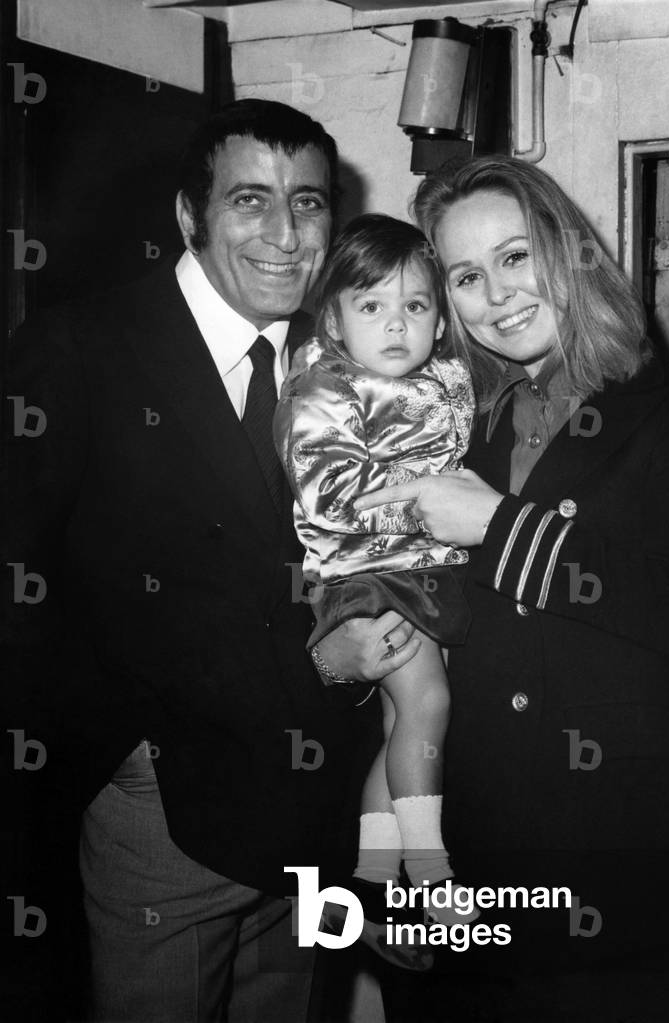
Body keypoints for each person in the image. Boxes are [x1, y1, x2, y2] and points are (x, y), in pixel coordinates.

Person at [3, 99, 416, 1023]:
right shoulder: (79, 347)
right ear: (190, 214)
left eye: (308, 203)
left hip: (311, 809)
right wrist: (118, 757)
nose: (285, 234)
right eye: (249, 200)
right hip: (164, 819)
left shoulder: (346, 360)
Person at [346, 156, 669, 1022]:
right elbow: (405, 633)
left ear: (568, 254)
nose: (496, 295)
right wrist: (349, 655)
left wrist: (497, 524)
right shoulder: (453, 425)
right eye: (466, 276)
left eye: (515, 257)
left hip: (608, 854)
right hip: (457, 855)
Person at [274, 214, 478, 965]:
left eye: (415, 305)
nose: (397, 323)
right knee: (430, 703)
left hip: (427, 570)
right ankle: (430, 869)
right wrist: (438, 504)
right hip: (367, 575)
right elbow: (330, 496)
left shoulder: (442, 379)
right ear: (333, 320)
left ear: (440, 319)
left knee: (402, 734)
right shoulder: (326, 389)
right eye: (371, 305)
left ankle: (370, 879)